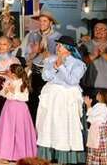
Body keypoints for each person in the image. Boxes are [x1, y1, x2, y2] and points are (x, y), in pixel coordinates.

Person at [36, 36, 87, 164]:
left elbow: (72, 80)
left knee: (64, 124)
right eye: (57, 45)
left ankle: (65, 156)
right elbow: (45, 76)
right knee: (49, 123)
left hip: (66, 97)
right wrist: (54, 66)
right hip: (51, 96)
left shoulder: (78, 64)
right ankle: (48, 154)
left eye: (61, 45)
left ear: (69, 49)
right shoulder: (51, 59)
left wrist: (61, 67)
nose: (57, 47)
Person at [0, 63, 38, 162]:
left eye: (9, 71)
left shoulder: (22, 83)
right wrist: (6, 90)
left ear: (13, 74)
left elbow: (24, 97)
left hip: (19, 109)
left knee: (19, 131)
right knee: (8, 131)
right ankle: (6, 154)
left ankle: (20, 155)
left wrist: (13, 91)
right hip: (9, 108)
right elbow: (3, 93)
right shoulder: (9, 81)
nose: (7, 72)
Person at [23, 10, 61, 120]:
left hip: (50, 72)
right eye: (40, 21)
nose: (42, 23)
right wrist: (35, 52)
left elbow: (62, 56)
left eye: (45, 21)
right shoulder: (33, 35)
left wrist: (49, 55)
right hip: (36, 71)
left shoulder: (58, 36)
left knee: (48, 102)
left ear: (51, 23)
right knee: (34, 100)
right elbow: (27, 56)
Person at [81, 21, 107, 100]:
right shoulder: (85, 46)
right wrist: (94, 55)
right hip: (92, 90)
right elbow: (79, 63)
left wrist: (104, 54)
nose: (98, 31)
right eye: (96, 29)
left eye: (102, 29)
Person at [86, 90, 107, 165]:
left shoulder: (102, 106)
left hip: (99, 131)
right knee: (98, 149)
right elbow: (92, 115)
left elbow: (91, 114)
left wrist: (88, 105)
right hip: (98, 129)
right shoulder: (100, 105)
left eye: (98, 93)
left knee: (100, 149)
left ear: (102, 96)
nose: (97, 94)